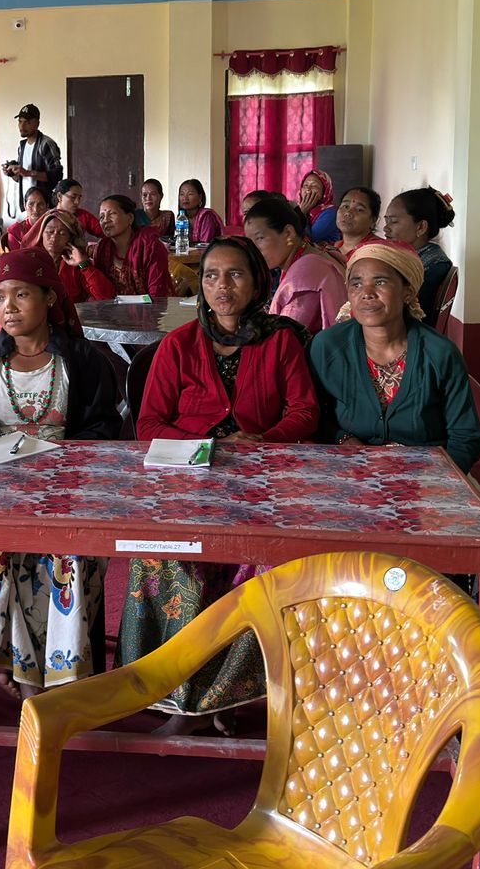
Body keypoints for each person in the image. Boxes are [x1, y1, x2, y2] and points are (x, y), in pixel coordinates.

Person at [120, 237, 318, 730]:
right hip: (188, 481)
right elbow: (149, 424)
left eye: (235, 275)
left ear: (257, 283)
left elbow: (304, 411)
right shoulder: (179, 344)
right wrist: (206, 445)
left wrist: (264, 440)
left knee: (263, 565)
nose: (222, 286)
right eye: (211, 275)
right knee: (168, 558)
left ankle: (223, 696)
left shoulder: (281, 341)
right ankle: (175, 692)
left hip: (260, 483)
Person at [0, 248, 121, 699]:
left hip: (68, 489)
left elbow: (103, 431)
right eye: (0, 297)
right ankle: (25, 671)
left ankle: (32, 672)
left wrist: (56, 463)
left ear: (50, 298)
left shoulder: (83, 360)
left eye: (21, 295)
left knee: (65, 557)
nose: (9, 307)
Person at [306, 241, 480, 469]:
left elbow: (465, 437)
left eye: (380, 282)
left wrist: (438, 479)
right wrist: (343, 439)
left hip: (426, 474)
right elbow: (311, 414)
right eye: (356, 284)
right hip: (350, 471)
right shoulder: (327, 347)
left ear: (408, 292)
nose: (366, 293)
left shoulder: (440, 354)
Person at [241, 198, 346, 335]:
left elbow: (285, 337)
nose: (253, 249)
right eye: (250, 242)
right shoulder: (309, 254)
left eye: (260, 238)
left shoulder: (307, 272)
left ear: (288, 233)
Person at [383, 187, 457, 318]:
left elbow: (407, 312)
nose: (385, 228)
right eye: (386, 221)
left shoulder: (434, 266)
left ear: (421, 227)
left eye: (393, 221)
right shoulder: (406, 256)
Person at [29, 210, 116, 306]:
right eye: (50, 231)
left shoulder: (77, 265)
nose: (54, 237)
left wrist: (84, 265)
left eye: (62, 233)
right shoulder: (30, 261)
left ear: (70, 238)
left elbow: (107, 297)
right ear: (41, 234)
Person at [96, 194, 171, 298]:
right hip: (113, 307)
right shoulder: (102, 248)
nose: (105, 220)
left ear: (130, 218)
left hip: (154, 306)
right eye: (102, 217)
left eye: (112, 214)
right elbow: (100, 293)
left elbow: (158, 294)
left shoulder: (150, 246)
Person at [3, 103, 63, 213]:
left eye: (27, 122)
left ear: (37, 123)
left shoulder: (46, 144)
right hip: (27, 205)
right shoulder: (22, 147)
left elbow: (57, 175)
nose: (22, 126)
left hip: (43, 206)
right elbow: (21, 179)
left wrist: (28, 173)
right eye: (20, 121)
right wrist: (11, 173)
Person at [332, 186, 382, 259]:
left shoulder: (376, 252)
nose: (348, 213)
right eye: (345, 206)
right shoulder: (333, 247)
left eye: (359, 210)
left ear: (373, 221)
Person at [297, 170, 341, 245]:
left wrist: (301, 213)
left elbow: (309, 240)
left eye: (314, 186)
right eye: (305, 185)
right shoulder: (296, 207)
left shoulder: (331, 213)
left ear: (324, 191)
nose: (308, 189)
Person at [176, 178, 224, 244]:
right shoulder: (181, 218)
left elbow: (205, 245)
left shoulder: (207, 216)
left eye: (190, 194)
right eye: (182, 194)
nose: (185, 198)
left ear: (200, 197)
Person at [4, 186, 51, 250]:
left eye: (40, 204)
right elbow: (15, 256)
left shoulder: (53, 230)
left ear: (47, 206)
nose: (35, 209)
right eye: (31, 204)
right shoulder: (16, 232)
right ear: (25, 206)